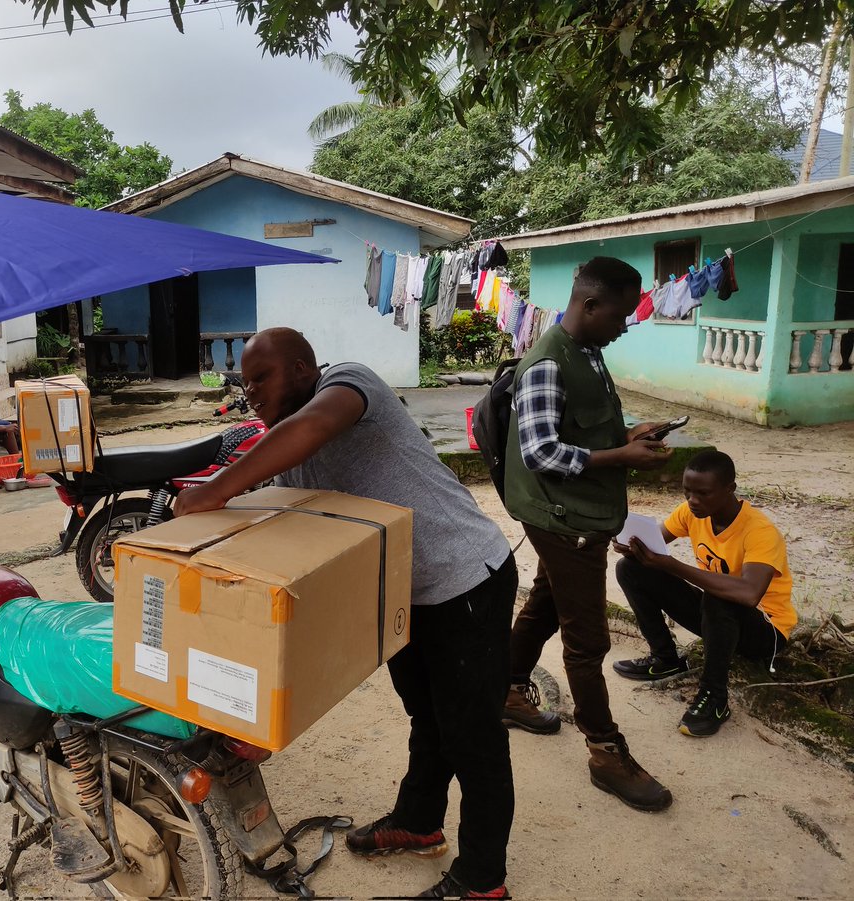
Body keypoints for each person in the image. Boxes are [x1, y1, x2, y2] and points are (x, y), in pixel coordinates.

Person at [175, 328, 517, 901]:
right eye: (244, 382)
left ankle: (483, 882)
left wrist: (217, 488)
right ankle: (420, 820)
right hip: (403, 595)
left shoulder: (350, 384)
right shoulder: (287, 458)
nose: (250, 391)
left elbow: (310, 427)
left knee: (473, 739)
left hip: (463, 581)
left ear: (305, 368)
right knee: (427, 717)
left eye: (262, 377)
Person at [501, 257, 676, 813]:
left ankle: (503, 691)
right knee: (587, 640)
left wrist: (628, 434)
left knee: (548, 605)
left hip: (577, 513)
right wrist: (622, 455)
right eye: (621, 315)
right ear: (590, 305)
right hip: (562, 518)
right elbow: (541, 452)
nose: (626, 325)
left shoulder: (588, 353)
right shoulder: (548, 363)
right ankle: (605, 751)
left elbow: (581, 429)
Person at [612, 449, 796, 736]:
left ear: (729, 489)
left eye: (703, 493)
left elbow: (749, 594)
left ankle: (715, 697)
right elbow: (655, 542)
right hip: (718, 617)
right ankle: (665, 658)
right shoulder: (692, 513)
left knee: (718, 597)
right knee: (630, 568)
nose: (693, 501)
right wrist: (633, 546)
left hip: (766, 631)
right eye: (687, 492)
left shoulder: (760, 531)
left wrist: (671, 565)